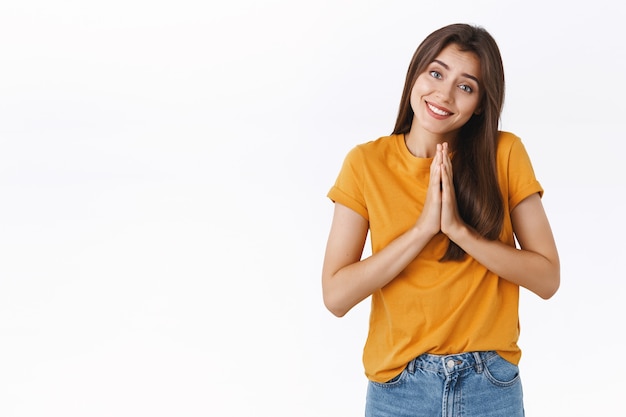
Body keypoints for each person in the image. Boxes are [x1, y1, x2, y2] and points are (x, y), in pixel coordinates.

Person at [321, 23, 560, 417]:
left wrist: (460, 232)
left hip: (490, 385)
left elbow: (548, 278)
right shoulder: (365, 163)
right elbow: (336, 296)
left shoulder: (505, 154)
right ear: (415, 73)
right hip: (399, 389)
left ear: (482, 103)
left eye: (466, 86)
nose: (443, 94)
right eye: (436, 73)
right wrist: (422, 230)